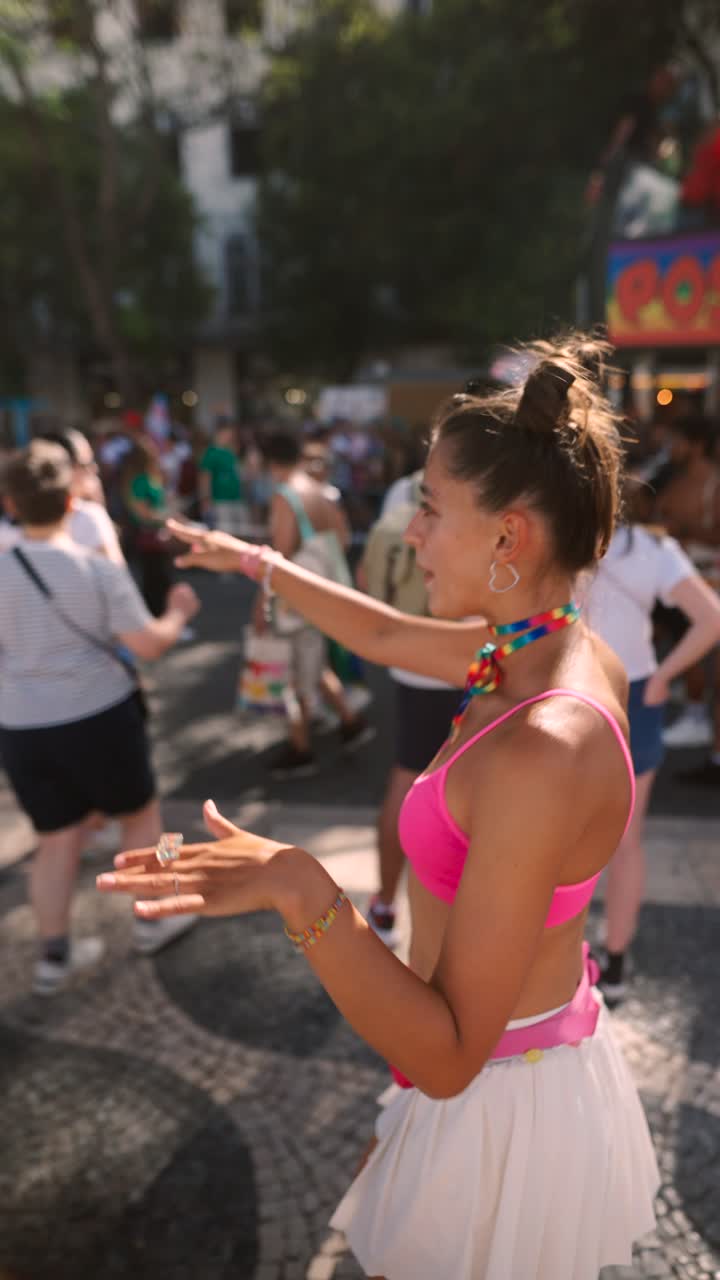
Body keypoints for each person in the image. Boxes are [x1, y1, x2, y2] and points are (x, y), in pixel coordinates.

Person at [102, 335, 660, 1279]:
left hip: (495, 1101)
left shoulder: (541, 748)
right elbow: (384, 631)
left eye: (429, 509)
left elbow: (447, 1054)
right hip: (487, 1079)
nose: (409, 533)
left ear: (508, 536)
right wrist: (257, 564)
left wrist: (297, 884)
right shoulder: (537, 644)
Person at [0, 442, 200, 995]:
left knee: (55, 838)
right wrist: (178, 611)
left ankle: (53, 954)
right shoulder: (95, 570)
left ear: (11, 502)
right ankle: (153, 916)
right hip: (99, 716)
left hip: (22, 727)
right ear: (70, 500)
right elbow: (148, 645)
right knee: (142, 818)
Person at [585, 478, 720, 1004]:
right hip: (635, 695)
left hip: (569, 692)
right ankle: (615, 963)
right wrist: (665, 676)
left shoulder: (556, 540)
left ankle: (560, 965)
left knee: (555, 837)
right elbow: (710, 618)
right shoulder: (651, 549)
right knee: (626, 842)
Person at [357, 471, 460, 947]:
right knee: (470, 791)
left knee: (409, 776)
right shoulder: (488, 481)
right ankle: (446, 916)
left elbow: (370, 581)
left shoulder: (401, 492)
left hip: (413, 658)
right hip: (470, 654)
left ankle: (384, 902)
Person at [256, 428, 373, 778]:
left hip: (297, 599)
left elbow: (278, 557)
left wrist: (261, 603)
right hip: (324, 592)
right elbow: (342, 537)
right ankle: (351, 722)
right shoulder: (321, 492)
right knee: (315, 663)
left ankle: (301, 748)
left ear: (271, 462)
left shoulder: (286, 495)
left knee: (294, 675)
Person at [655, 414, 720, 763]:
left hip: (709, 580)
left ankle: (701, 723)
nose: (670, 447)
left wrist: (685, 528)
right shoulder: (672, 477)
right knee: (681, 643)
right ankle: (692, 710)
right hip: (673, 579)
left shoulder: (714, 483)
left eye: (676, 440)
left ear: (695, 445)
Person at [36, 427, 126, 563]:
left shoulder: (16, 521)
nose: (94, 469)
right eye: (86, 463)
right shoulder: (89, 516)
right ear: (63, 469)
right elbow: (117, 576)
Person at [121, 437, 175, 617]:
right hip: (148, 536)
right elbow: (142, 512)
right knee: (155, 582)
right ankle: (156, 618)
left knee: (160, 580)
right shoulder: (139, 480)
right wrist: (165, 516)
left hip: (158, 535)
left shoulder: (152, 477)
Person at [198, 419, 248, 535]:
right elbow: (205, 477)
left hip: (235, 499)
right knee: (225, 534)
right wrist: (206, 498)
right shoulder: (211, 453)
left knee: (241, 533)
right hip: (220, 501)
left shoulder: (230, 452)